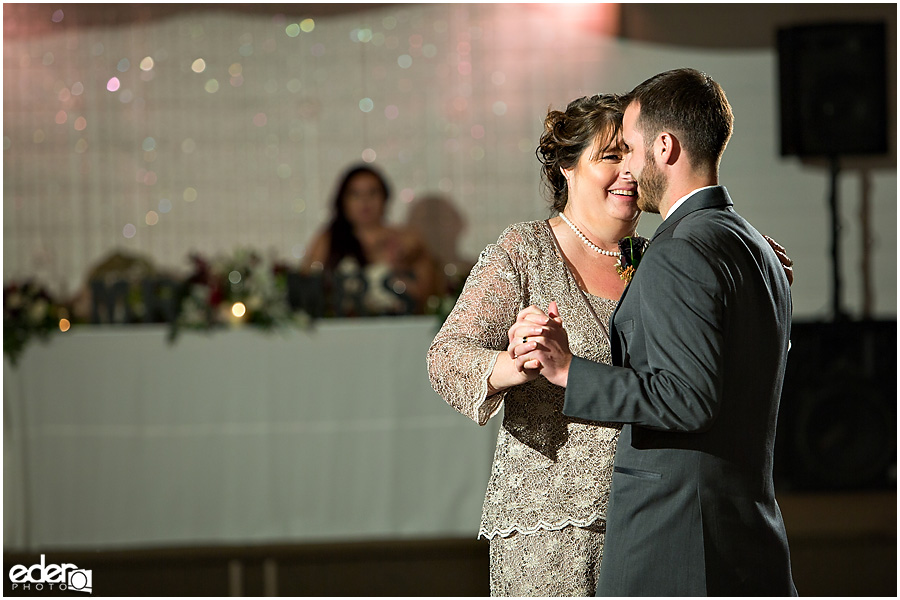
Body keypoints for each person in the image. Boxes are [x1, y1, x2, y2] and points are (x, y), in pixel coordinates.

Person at [511, 68, 797, 596]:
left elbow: (687, 399)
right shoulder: (755, 245)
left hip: (679, 537)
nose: (630, 168)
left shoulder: (679, 248)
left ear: (664, 147)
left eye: (633, 149)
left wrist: (570, 371)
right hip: (743, 527)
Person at [428, 94, 643, 596]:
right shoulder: (523, 250)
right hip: (549, 526)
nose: (628, 171)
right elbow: (445, 356)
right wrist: (513, 365)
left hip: (643, 516)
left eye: (634, 156)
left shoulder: (656, 259)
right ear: (567, 167)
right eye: (611, 156)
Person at [301, 164, 435, 315]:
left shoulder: (407, 239)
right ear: (343, 201)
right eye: (355, 194)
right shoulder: (329, 240)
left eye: (372, 193)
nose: (365, 201)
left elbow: (429, 294)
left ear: (385, 197)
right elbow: (308, 286)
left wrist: (401, 268)